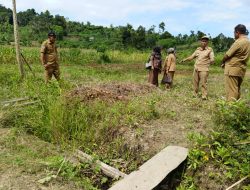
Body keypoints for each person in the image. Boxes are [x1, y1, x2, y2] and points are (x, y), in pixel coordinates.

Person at [221, 24, 250, 101]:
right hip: (241, 68)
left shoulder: (238, 42)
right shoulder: (248, 42)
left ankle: (231, 107)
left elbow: (227, 55)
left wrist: (223, 61)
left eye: (234, 32)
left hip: (232, 68)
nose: (234, 34)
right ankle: (237, 105)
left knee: (231, 89)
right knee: (237, 88)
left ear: (237, 32)